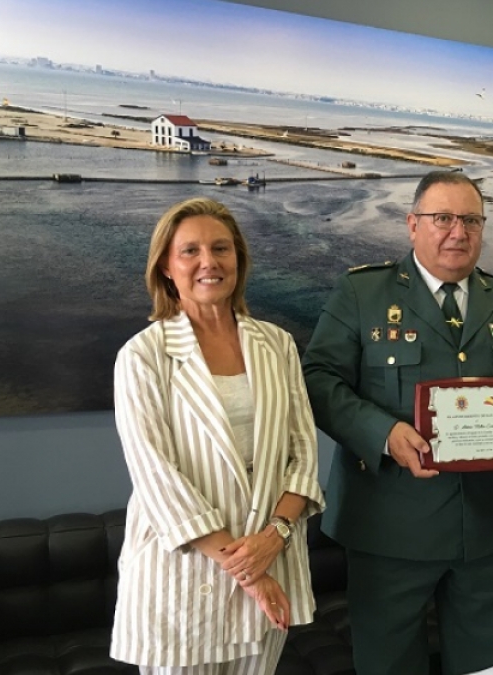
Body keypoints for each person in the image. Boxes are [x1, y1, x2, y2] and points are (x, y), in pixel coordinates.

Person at [302, 170, 493, 675]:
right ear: (412, 224)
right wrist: (383, 433)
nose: (458, 232)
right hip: (389, 527)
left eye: (471, 221)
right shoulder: (363, 293)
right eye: (443, 218)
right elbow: (318, 379)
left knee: (491, 670)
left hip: (489, 530)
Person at [110, 197, 325, 674]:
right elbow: (157, 479)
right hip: (186, 578)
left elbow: (303, 454)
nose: (208, 261)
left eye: (221, 248)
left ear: (238, 260)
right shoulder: (142, 356)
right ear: (166, 268)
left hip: (273, 557)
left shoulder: (277, 344)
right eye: (190, 251)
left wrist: (275, 536)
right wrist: (249, 571)